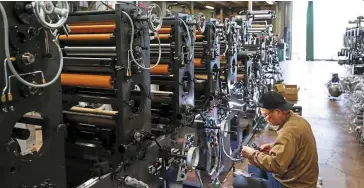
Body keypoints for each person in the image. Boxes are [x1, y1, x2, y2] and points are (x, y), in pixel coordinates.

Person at [233, 91, 319, 188]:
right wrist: (274, 146)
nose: (266, 119)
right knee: (256, 161)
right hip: (302, 178)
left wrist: (251, 154)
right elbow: (294, 145)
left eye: (266, 115)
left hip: (292, 185)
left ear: (278, 111)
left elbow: (276, 166)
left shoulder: (287, 132)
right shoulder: (297, 120)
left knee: (239, 181)